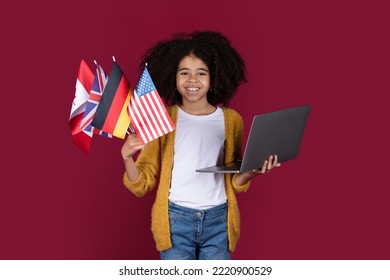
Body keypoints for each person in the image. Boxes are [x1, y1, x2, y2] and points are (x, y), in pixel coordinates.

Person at [121, 31, 280, 260]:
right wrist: (127, 158)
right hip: (175, 221)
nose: (192, 80)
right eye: (184, 72)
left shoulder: (231, 120)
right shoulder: (163, 119)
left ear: (213, 79)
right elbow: (142, 182)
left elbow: (234, 179)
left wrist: (251, 172)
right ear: (173, 78)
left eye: (201, 73)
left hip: (219, 221)